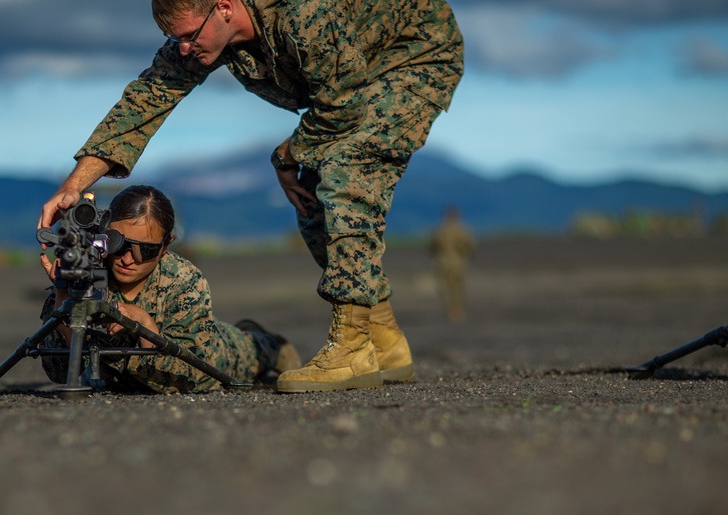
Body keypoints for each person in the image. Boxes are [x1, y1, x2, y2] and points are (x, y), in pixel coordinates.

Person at [37, 0, 465, 393]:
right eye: (176, 39)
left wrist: (286, 154)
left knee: (346, 171)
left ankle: (353, 347)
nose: (184, 49)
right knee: (312, 197)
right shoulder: (204, 38)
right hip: (357, 74)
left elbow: (344, 106)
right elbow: (146, 99)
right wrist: (74, 185)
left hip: (415, 56)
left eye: (190, 36)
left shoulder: (301, 11)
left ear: (223, 7)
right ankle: (384, 340)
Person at [38, 185, 300, 394]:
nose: (128, 259)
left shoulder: (184, 280)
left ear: (166, 245)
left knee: (253, 351)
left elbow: (185, 377)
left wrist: (143, 324)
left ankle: (272, 345)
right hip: (125, 378)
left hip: (217, 355)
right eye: (119, 244)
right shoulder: (86, 268)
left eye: (147, 250)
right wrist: (64, 296)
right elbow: (65, 368)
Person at [430, 208, 475, 321]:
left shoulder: (439, 231)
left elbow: (432, 246)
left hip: (443, 263)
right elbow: (470, 245)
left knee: (447, 288)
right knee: (457, 288)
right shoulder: (462, 231)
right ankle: (456, 310)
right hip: (458, 263)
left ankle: (451, 310)